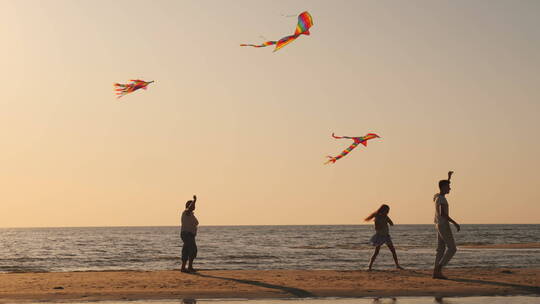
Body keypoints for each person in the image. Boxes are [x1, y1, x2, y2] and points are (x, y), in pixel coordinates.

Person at [433, 171, 460, 279]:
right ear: (444, 187)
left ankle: (436, 273)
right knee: (452, 249)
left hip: (438, 225)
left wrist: (448, 178)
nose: (450, 188)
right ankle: (439, 268)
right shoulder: (441, 199)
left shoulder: (437, 196)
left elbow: (442, 187)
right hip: (443, 225)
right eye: (448, 186)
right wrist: (455, 223)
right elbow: (442, 213)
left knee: (440, 250)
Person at [365, 204, 403, 271]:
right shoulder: (378, 217)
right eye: (387, 210)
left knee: (393, 251)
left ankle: (397, 265)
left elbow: (391, 224)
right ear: (383, 210)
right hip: (380, 236)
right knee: (376, 252)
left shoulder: (385, 216)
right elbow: (376, 227)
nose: (388, 212)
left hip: (386, 236)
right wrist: (381, 225)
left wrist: (388, 221)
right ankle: (369, 266)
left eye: (388, 211)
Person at [181, 195, 199, 273]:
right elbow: (190, 208)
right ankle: (189, 267)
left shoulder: (191, 214)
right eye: (192, 205)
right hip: (187, 234)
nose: (194, 206)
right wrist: (194, 200)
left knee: (186, 250)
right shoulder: (186, 212)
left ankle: (184, 267)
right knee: (193, 250)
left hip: (189, 235)